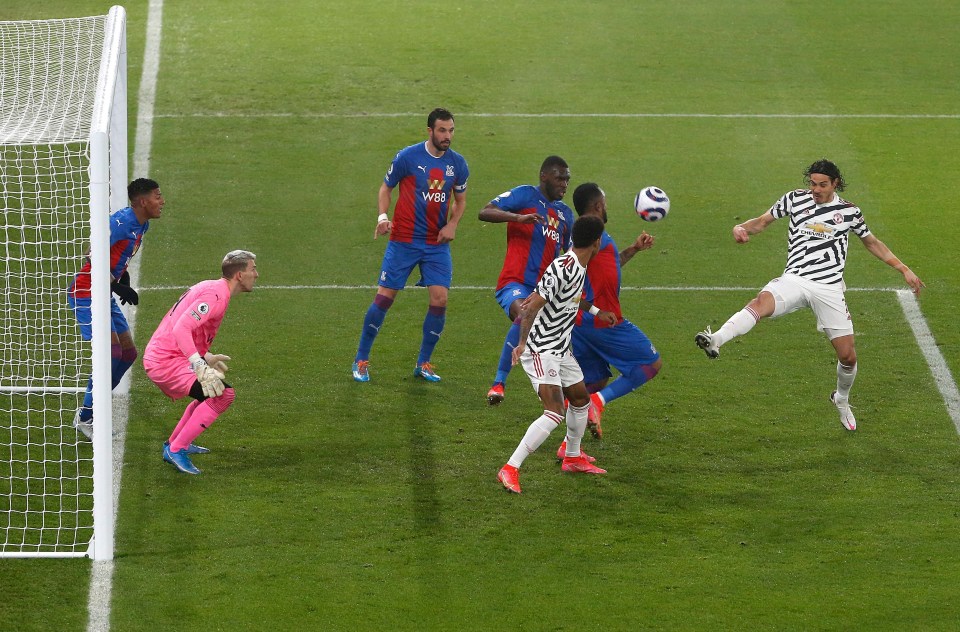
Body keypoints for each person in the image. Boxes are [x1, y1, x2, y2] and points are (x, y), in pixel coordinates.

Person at [695, 159, 924, 431]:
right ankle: (716, 338)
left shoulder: (849, 212)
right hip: (796, 279)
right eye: (813, 184)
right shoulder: (794, 200)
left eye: (822, 185)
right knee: (761, 302)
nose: (816, 189)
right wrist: (741, 228)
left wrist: (903, 269)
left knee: (848, 357)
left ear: (835, 183)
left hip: (829, 287)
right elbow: (762, 222)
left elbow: (871, 243)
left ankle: (841, 399)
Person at [351, 107, 469, 383]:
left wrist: (452, 224)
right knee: (384, 299)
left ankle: (423, 363)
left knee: (440, 299)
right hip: (403, 240)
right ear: (430, 131)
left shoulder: (458, 164)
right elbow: (385, 188)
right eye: (442, 130)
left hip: (436, 244)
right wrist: (383, 216)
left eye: (451, 130)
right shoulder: (408, 157)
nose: (447, 135)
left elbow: (460, 200)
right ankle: (361, 359)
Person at [497, 215, 608, 494]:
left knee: (581, 399)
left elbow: (571, 297)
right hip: (541, 348)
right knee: (554, 411)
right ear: (596, 242)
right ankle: (510, 467)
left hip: (561, 347)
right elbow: (529, 307)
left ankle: (572, 457)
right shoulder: (563, 267)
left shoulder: (579, 265)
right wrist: (522, 344)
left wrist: (596, 312)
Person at [142, 250, 258, 475]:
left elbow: (183, 327)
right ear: (240, 275)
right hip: (165, 360)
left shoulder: (212, 288)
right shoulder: (215, 297)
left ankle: (176, 443)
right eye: (253, 269)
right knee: (224, 395)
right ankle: (176, 450)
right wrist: (198, 364)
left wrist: (207, 357)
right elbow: (181, 328)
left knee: (210, 394)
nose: (257, 274)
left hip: (166, 355)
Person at [67, 178, 165, 439]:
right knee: (110, 354)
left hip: (103, 294)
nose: (162, 201)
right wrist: (119, 286)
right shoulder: (119, 223)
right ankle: (86, 416)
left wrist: (123, 279)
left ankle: (93, 407)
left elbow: (119, 256)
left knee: (127, 354)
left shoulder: (142, 224)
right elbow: (92, 254)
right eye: (157, 196)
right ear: (143, 201)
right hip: (87, 294)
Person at [569, 183, 662, 442]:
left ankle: (569, 446)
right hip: (603, 322)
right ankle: (597, 403)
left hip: (579, 323)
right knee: (651, 363)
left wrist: (633, 249)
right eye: (605, 202)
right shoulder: (593, 237)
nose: (606, 206)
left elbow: (605, 265)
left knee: (593, 382)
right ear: (598, 206)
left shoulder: (586, 235)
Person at [479, 156, 574, 406]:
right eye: (559, 178)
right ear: (544, 176)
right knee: (525, 314)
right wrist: (517, 218)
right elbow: (485, 211)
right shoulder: (525, 195)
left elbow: (570, 255)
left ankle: (561, 396)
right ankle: (499, 383)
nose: (564, 184)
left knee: (553, 339)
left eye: (567, 179)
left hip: (545, 291)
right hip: (514, 282)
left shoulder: (565, 215)